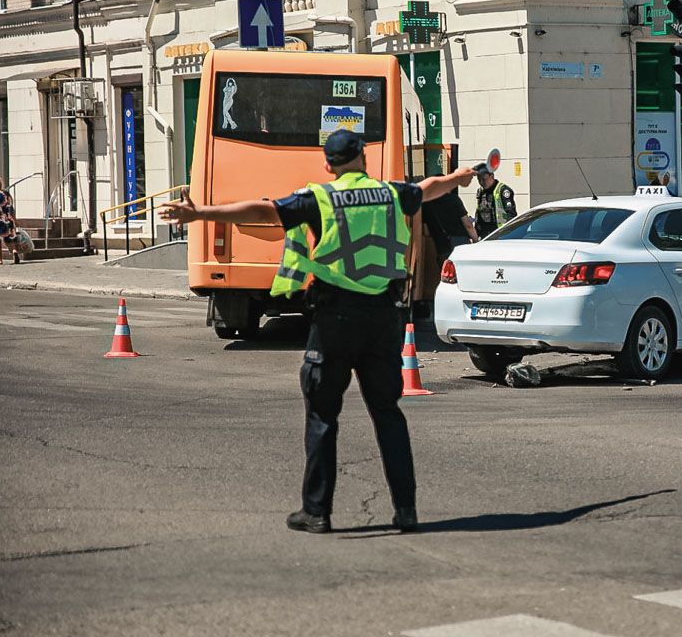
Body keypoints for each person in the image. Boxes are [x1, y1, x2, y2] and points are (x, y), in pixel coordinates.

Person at [161, 130, 476, 534]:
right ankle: (407, 511)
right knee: (388, 415)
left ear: (328, 165)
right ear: (363, 158)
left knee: (324, 416)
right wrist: (460, 177)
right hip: (384, 318)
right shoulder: (390, 193)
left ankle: (317, 512)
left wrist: (200, 214)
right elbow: (428, 188)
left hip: (336, 320)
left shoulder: (320, 198)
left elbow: (264, 211)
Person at [422, 189, 478, 271]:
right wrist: (475, 240)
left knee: (447, 278)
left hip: (442, 247)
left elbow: (426, 232)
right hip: (461, 245)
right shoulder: (454, 199)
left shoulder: (426, 204)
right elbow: (468, 225)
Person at [473, 163, 517, 238]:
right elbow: (479, 211)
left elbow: (511, 214)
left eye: (484, 179)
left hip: (500, 233)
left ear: (492, 176)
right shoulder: (480, 191)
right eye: (479, 180)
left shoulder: (503, 190)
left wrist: (508, 233)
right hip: (484, 233)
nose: (481, 182)